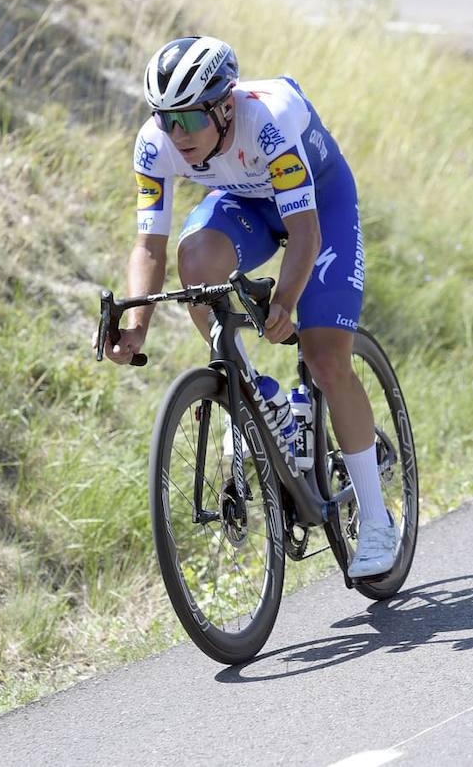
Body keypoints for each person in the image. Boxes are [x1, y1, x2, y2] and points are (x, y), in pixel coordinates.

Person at [101, 35, 396, 578]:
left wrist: (285, 301)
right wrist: (137, 325)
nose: (177, 135)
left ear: (224, 105)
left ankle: (377, 522)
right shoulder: (154, 143)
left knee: (327, 359)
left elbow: (305, 233)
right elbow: (150, 246)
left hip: (320, 207)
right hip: (245, 204)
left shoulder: (269, 120)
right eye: (166, 119)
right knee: (196, 264)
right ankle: (261, 395)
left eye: (189, 119)